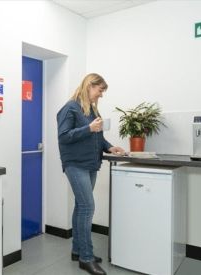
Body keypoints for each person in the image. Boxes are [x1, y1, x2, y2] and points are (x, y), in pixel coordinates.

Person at [57, 73, 125, 275]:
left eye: (103, 91)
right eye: (100, 90)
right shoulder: (70, 108)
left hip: (90, 164)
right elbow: (63, 136)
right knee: (88, 207)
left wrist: (110, 148)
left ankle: (77, 250)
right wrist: (88, 128)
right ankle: (86, 258)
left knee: (81, 206)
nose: (101, 95)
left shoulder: (93, 109)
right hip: (75, 164)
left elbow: (98, 137)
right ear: (89, 86)